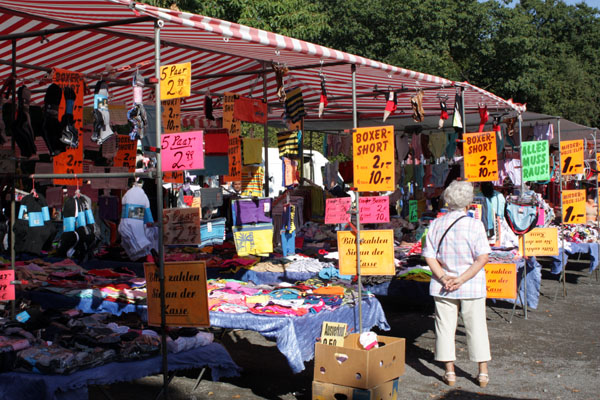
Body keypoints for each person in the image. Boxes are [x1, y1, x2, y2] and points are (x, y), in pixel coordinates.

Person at [422, 180, 492, 388]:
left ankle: (450, 372)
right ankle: (482, 373)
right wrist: (461, 279)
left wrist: (444, 277)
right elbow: (483, 258)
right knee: (477, 326)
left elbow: (429, 256)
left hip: (443, 285)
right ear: (469, 202)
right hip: (471, 284)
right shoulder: (474, 225)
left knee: (444, 327)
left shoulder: (436, 224)